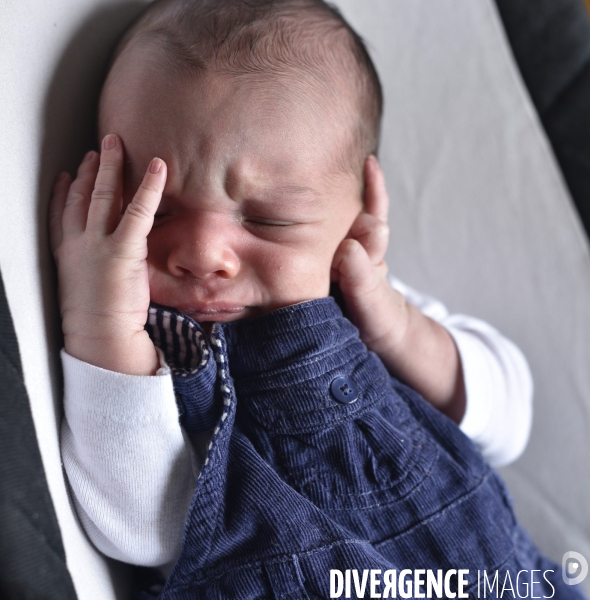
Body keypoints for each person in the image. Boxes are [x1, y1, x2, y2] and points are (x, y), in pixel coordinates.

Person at [50, 0, 581, 597]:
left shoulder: (363, 305)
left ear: (358, 219)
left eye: (269, 220)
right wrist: (100, 327)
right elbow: (147, 532)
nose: (202, 254)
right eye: (155, 212)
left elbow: (509, 420)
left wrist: (397, 328)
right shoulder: (147, 355)